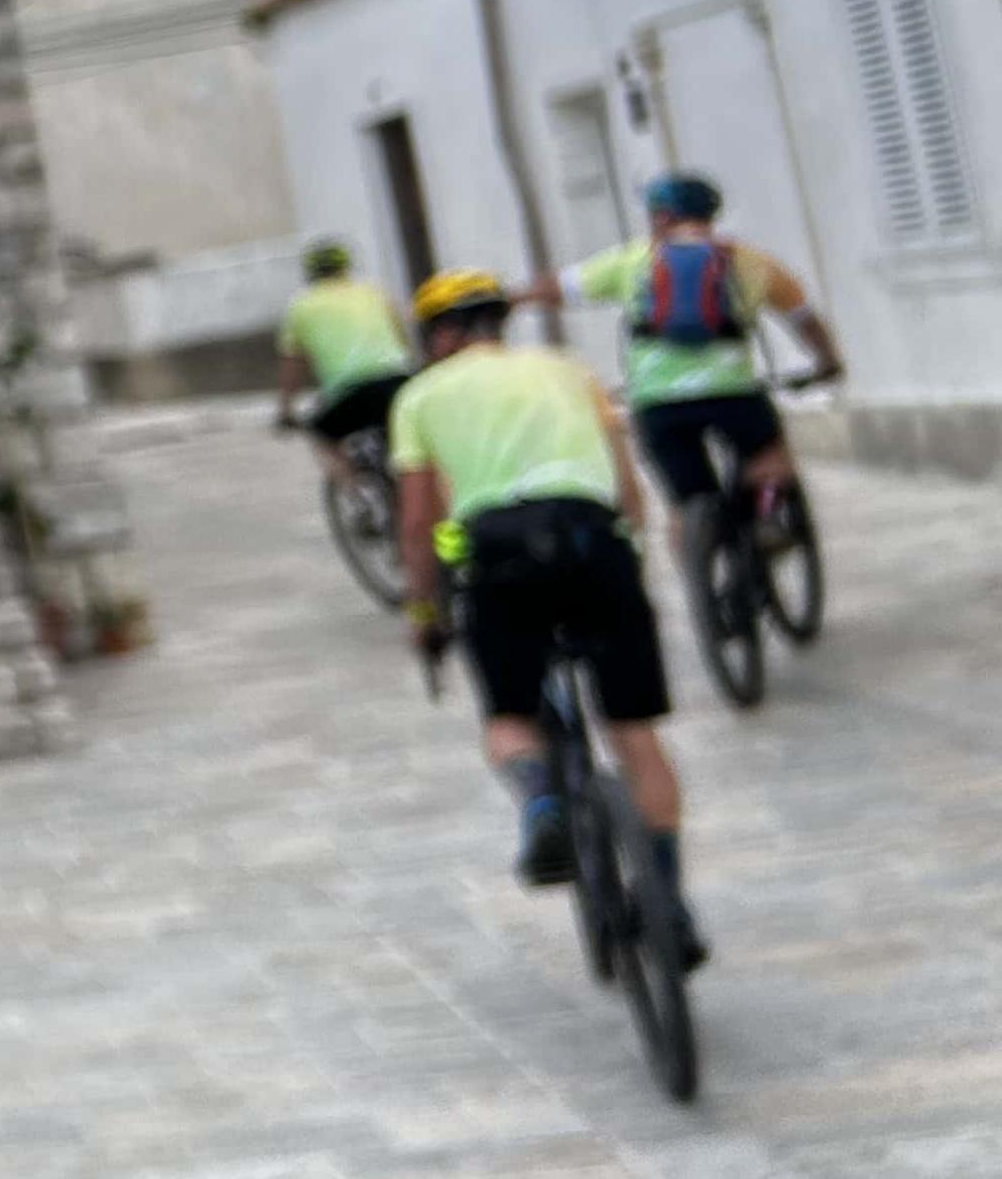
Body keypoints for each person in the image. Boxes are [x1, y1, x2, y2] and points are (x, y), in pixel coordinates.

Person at [391, 269, 701, 959]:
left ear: (440, 334)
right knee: (636, 736)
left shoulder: (420, 396)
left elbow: (419, 523)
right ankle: (670, 906)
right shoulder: (568, 370)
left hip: (498, 555)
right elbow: (627, 489)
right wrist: (628, 560)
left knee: (509, 718)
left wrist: (425, 608)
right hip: (594, 543)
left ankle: (540, 803)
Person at [525, 173, 843, 534]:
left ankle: (696, 562)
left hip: (658, 402)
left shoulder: (632, 261)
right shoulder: (751, 261)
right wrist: (828, 362)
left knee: (685, 503)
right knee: (769, 460)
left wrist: (506, 298)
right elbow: (804, 320)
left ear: (662, 216)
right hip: (733, 395)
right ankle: (768, 512)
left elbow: (556, 288)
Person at [274, 237, 412, 478]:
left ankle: (358, 497)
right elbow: (402, 337)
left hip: (349, 393)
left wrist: (286, 410)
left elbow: (292, 366)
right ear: (347, 267)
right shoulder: (374, 292)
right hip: (397, 380)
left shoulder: (301, 307)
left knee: (321, 434)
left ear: (310, 273)